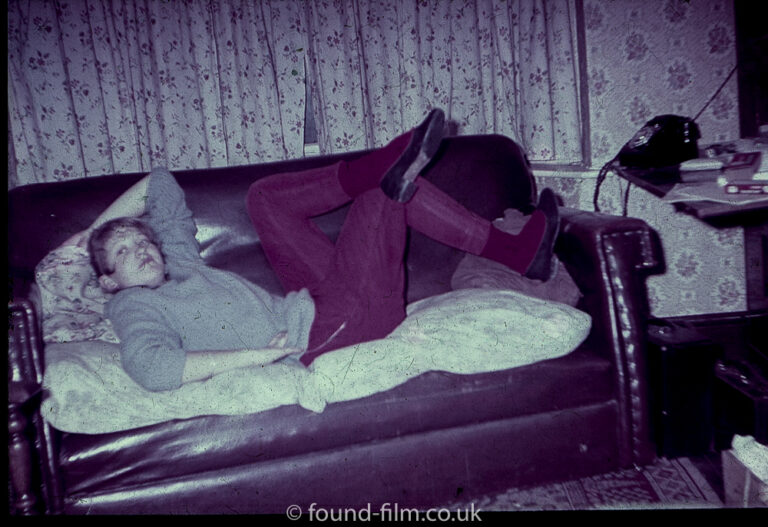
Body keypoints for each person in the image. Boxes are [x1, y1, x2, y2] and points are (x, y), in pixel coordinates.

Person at [73, 109, 559, 392]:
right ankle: (508, 248)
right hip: (328, 332)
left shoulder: (176, 261)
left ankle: (384, 170)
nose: (140, 246)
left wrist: (89, 236)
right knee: (384, 192)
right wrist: (250, 358)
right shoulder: (133, 304)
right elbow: (152, 368)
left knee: (263, 198)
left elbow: (159, 183)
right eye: (122, 250)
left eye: (141, 239)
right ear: (108, 281)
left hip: (311, 302)